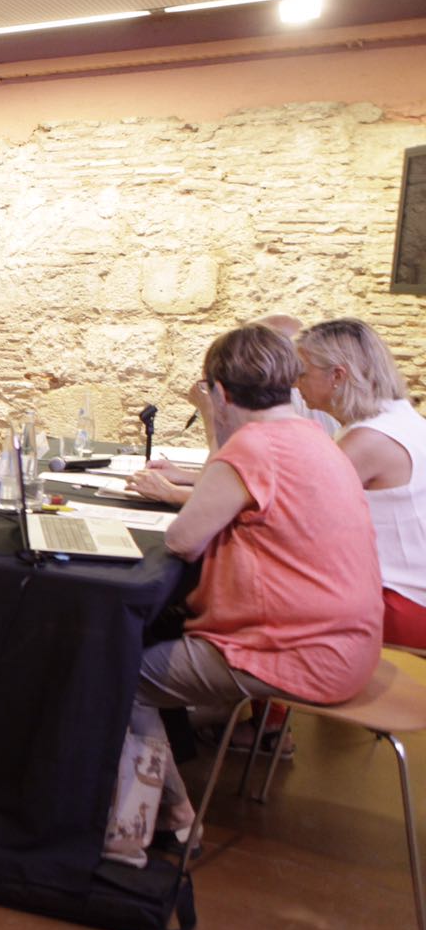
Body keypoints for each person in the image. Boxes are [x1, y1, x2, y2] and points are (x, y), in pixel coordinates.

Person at [108, 325, 383, 867]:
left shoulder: (253, 446)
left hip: (300, 655)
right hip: (348, 644)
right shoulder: (311, 436)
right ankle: (170, 810)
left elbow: (184, 539)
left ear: (221, 393)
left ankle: (150, 829)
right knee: (157, 634)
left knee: (116, 670)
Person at [296, 318, 426, 649]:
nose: (296, 384)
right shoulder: (397, 419)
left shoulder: (369, 439)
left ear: (337, 376)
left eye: (302, 372)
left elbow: (291, 507)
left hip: (395, 602)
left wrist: (183, 497)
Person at [130, 314, 341, 505]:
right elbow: (253, 481)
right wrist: (187, 476)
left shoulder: (280, 402)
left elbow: (218, 496)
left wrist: (170, 492)